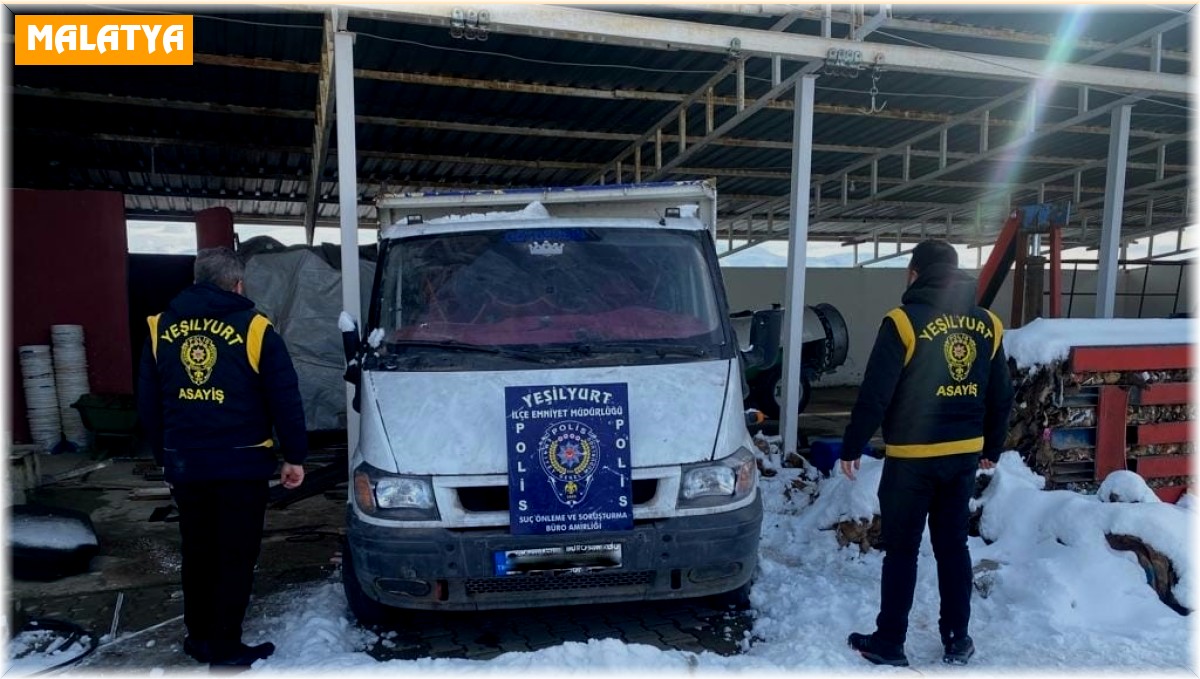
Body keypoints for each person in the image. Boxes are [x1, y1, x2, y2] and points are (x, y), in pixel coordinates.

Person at [839, 240, 1014, 667]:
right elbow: (1001, 394)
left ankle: (890, 642)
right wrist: (992, 444)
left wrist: (852, 444)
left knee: (902, 549)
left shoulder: (903, 321)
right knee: (953, 547)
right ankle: (958, 639)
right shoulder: (987, 324)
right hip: (963, 459)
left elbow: (876, 393)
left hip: (912, 459)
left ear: (915, 274)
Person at [137, 246, 308, 667]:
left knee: (197, 552)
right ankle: (225, 646)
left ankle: (199, 638)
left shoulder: (160, 328)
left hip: (187, 465)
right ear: (237, 284)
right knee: (234, 555)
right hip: (241, 465)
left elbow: (148, 403)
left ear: (196, 279)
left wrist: (166, 457)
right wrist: (294, 456)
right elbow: (283, 397)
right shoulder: (255, 328)